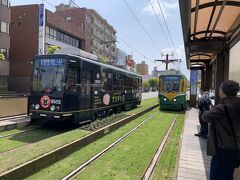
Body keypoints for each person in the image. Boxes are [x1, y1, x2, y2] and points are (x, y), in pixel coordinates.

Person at [202, 80, 240, 180]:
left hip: (222, 150)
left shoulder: (222, 108)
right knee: (228, 176)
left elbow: (205, 117)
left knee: (217, 176)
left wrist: (209, 109)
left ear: (223, 91)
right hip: (236, 148)